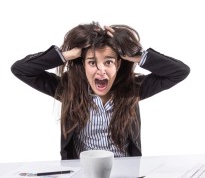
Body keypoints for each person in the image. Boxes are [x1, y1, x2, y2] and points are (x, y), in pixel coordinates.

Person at [11, 22, 190, 160]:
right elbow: (21, 69)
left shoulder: (132, 90)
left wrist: (137, 55)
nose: (101, 70)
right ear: (83, 66)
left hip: (125, 175)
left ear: (118, 64)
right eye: (92, 62)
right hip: (83, 175)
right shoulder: (69, 90)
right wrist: (67, 55)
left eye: (109, 62)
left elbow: (179, 72)